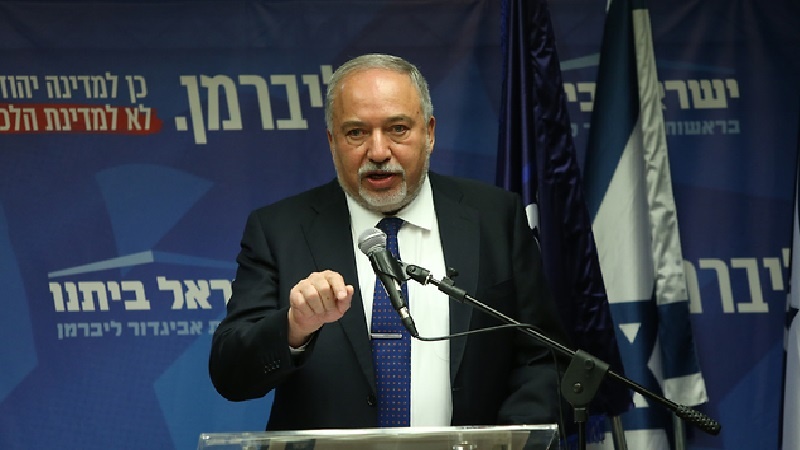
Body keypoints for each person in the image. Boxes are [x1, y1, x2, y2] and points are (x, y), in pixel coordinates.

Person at [208, 53, 569, 431]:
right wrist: (294, 327)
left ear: (429, 132)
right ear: (332, 141)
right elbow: (231, 375)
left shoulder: (494, 217)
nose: (378, 152)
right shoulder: (279, 229)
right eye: (356, 133)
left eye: (398, 129)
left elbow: (544, 359)